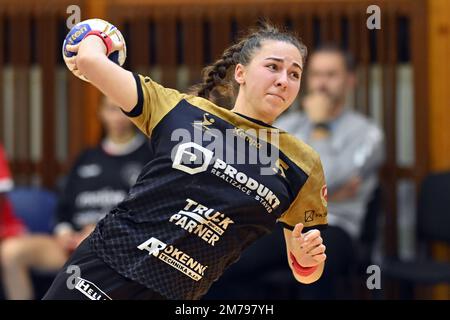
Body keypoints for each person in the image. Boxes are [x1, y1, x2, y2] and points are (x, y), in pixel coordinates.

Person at [43, 22, 328, 300]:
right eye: (273, 67)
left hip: (173, 292)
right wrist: (99, 34)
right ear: (240, 72)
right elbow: (90, 61)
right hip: (108, 264)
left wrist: (307, 260)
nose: (283, 80)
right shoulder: (178, 110)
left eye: (294, 74)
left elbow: (307, 272)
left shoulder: (303, 164)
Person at [0, 97, 152, 300]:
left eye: (123, 109)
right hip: (72, 243)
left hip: (119, 247)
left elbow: (150, 213)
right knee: (11, 252)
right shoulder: (85, 158)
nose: (118, 117)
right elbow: (63, 208)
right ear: (100, 113)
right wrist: (64, 232)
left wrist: (101, 232)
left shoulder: (149, 157)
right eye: (111, 109)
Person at [275, 44, 385, 299]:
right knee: (230, 259)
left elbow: (331, 178)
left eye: (331, 75)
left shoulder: (367, 133)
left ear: (350, 81)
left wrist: (321, 126)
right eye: (315, 74)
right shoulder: (286, 125)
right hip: (283, 224)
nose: (321, 83)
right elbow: (270, 183)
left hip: (336, 226)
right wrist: (326, 192)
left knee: (315, 265)